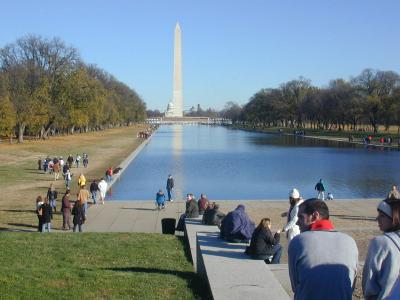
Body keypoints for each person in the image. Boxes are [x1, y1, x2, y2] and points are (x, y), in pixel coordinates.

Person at [288, 198, 358, 300]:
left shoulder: (298, 241)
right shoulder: (350, 241)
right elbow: (351, 284)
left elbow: (295, 286)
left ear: (315, 216)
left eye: (300, 217)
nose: (297, 222)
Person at [362, 194, 400, 299]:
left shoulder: (380, 242)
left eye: (382, 216)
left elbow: (369, 283)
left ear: (394, 218)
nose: (377, 219)